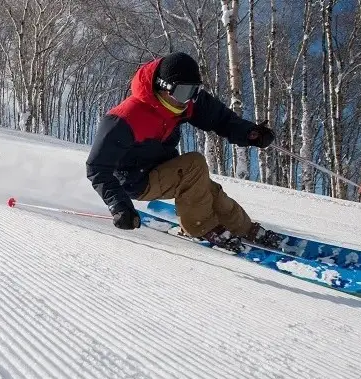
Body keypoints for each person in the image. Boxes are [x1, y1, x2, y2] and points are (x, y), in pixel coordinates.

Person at [85, 51, 279, 250]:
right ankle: (200, 226)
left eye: (193, 92)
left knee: (208, 190)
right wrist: (119, 205)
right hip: (135, 181)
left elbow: (221, 118)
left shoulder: (187, 102)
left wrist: (250, 133)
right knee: (194, 165)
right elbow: (97, 167)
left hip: (163, 170)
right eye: (182, 93)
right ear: (163, 87)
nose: (186, 100)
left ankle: (244, 228)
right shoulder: (125, 117)